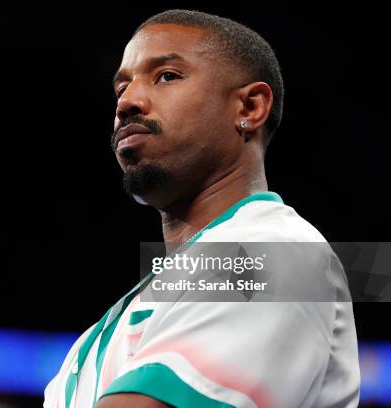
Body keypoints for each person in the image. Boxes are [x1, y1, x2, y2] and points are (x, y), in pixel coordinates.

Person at [44, 9, 359, 408]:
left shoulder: (276, 254)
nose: (127, 102)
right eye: (121, 87)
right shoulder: (93, 342)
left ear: (250, 108)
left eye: (166, 76)